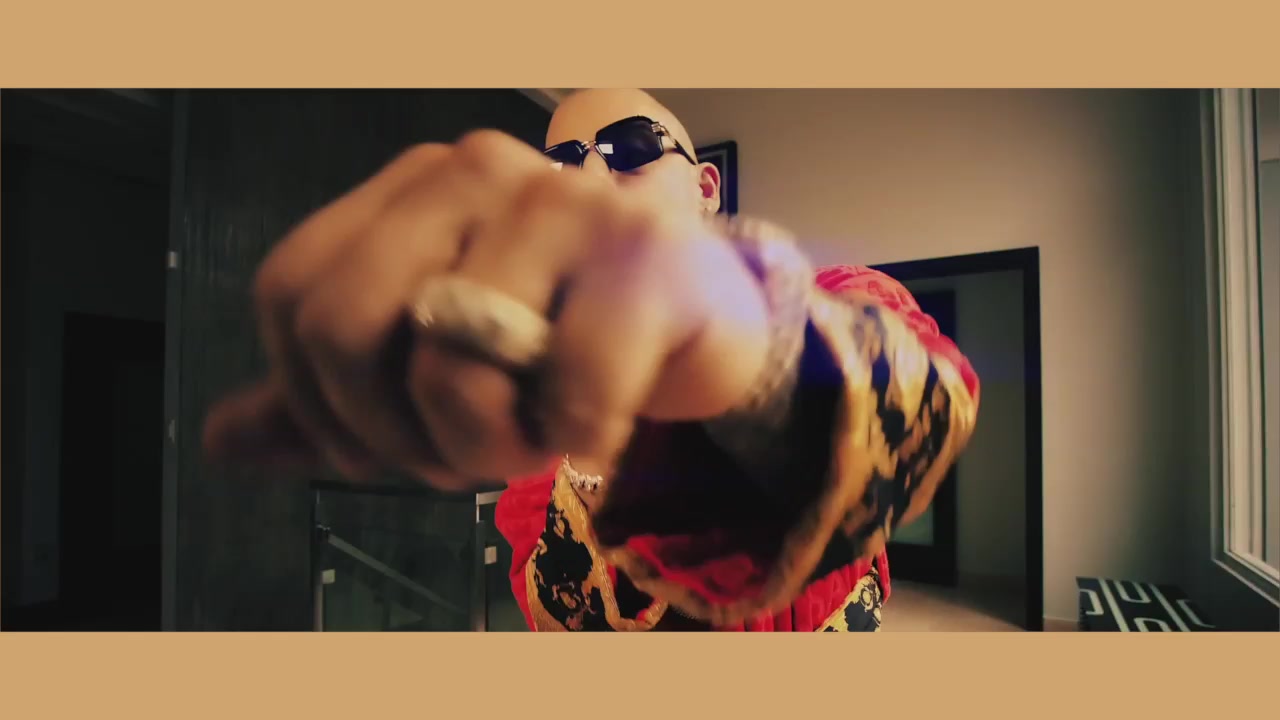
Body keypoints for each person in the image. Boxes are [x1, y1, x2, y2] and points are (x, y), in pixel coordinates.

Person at [203, 88, 981, 632]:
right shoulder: (538, 442)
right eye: (563, 165)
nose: (592, 182)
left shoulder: (844, 296)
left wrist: (732, 349)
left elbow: (920, 402)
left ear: (706, 185)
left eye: (632, 150)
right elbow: (562, 617)